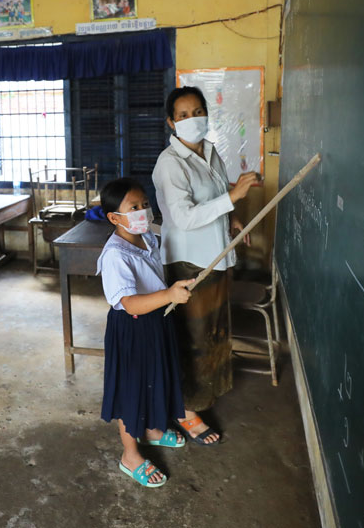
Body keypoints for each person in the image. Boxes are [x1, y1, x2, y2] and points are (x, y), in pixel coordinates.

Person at [151, 85, 260, 446]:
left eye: (197, 111)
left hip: (215, 257)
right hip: (188, 262)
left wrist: (232, 218)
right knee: (192, 339)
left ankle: (202, 395)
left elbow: (214, 201)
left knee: (213, 332)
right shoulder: (171, 163)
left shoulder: (211, 153)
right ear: (171, 122)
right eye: (183, 115)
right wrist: (232, 197)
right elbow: (183, 218)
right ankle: (185, 410)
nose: (192, 119)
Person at [98, 177, 194, 488]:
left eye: (145, 204)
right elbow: (127, 302)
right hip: (132, 328)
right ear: (114, 217)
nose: (143, 211)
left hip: (155, 321)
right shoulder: (115, 255)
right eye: (134, 207)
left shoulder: (147, 237)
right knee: (133, 389)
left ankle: (152, 430)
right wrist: (169, 295)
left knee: (157, 378)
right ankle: (130, 454)